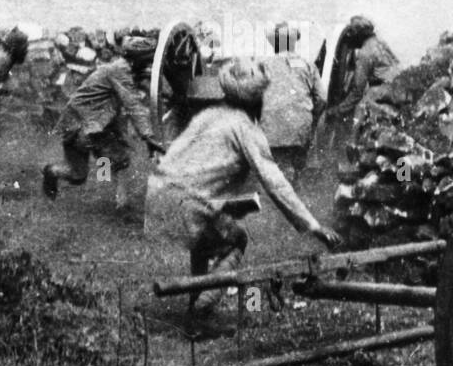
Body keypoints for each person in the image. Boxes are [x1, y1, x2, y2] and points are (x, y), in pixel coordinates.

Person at [145, 58, 341, 324]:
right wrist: (313, 225)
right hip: (191, 204)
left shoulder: (207, 115)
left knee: (204, 240)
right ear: (257, 98)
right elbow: (275, 182)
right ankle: (201, 311)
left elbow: (188, 161)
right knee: (236, 239)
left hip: (161, 195)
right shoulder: (246, 128)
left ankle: (195, 299)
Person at [42, 35, 165, 212]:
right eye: (147, 62)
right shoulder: (119, 72)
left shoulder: (118, 68)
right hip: (86, 127)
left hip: (75, 125)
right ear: (137, 60)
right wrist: (148, 136)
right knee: (120, 158)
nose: (149, 66)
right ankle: (120, 205)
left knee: (78, 175)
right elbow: (133, 104)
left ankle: (52, 172)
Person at [260, 21, 325, 181]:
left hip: (272, 128)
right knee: (295, 171)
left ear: (275, 43)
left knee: (276, 171)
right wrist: (312, 120)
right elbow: (322, 98)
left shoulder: (263, 66)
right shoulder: (308, 65)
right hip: (300, 128)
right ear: (294, 42)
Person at [326, 15, 399, 123]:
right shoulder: (381, 43)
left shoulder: (365, 53)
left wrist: (337, 110)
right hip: (397, 89)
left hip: (382, 92)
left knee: (359, 113)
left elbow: (357, 91)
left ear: (358, 35)